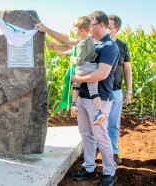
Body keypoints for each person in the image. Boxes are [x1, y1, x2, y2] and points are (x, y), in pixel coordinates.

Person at [36, 11, 119, 186]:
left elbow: (102, 74)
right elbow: (67, 41)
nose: (89, 27)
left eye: (92, 24)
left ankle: (109, 172)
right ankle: (89, 168)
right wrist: (46, 30)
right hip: (82, 96)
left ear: (102, 25)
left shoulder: (109, 46)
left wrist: (77, 79)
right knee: (86, 135)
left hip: (99, 98)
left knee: (101, 137)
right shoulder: (90, 42)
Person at [47, 16, 105, 125]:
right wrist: (63, 52)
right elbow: (75, 50)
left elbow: (78, 59)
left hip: (83, 68)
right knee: (94, 92)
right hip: (92, 67)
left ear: (82, 30)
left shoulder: (81, 43)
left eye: (75, 29)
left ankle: (73, 104)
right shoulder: (91, 41)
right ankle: (99, 111)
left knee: (76, 84)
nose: (74, 32)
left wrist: (71, 58)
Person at [108, 15, 132, 165]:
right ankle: (98, 150)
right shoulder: (97, 43)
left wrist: (129, 91)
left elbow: (127, 70)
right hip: (98, 91)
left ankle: (114, 152)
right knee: (97, 123)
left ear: (117, 29)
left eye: (109, 27)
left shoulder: (122, 46)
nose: (106, 30)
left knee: (113, 123)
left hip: (116, 91)